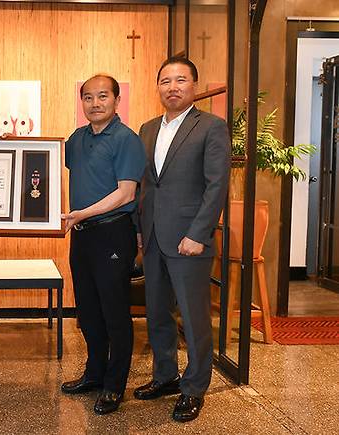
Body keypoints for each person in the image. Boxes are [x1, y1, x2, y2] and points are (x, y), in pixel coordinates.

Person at [134, 57, 230, 422]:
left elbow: (216, 185)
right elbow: (146, 185)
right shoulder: (145, 129)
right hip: (155, 236)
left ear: (194, 86)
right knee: (157, 312)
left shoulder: (211, 127)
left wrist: (198, 233)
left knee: (193, 318)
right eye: (165, 80)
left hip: (190, 239)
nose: (172, 87)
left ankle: (194, 388)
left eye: (181, 80)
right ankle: (165, 376)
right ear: (157, 86)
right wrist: (141, 231)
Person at [60, 74, 147, 415]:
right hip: (82, 235)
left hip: (113, 233)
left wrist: (80, 212)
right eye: (88, 98)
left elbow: (126, 193)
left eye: (102, 97)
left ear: (116, 100)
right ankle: (94, 373)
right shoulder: (78, 138)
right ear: (81, 102)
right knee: (88, 312)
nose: (95, 104)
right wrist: (13, 146)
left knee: (114, 313)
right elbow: (44, 160)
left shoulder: (127, 139)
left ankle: (114, 385)